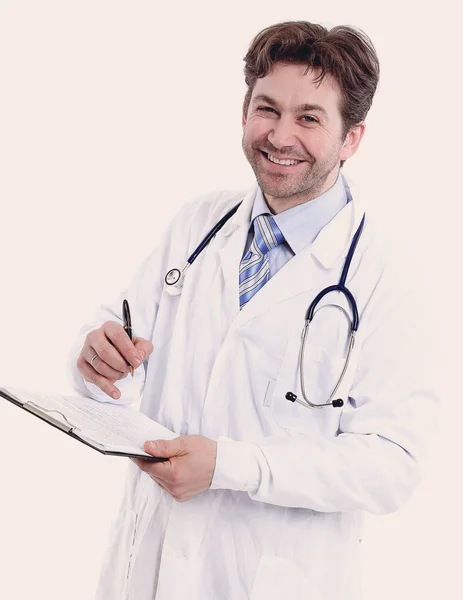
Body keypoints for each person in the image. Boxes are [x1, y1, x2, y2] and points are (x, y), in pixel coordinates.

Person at [69, 20, 439, 600]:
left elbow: (393, 465)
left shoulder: (386, 274)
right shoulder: (198, 225)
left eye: (309, 118)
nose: (280, 136)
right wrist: (98, 360)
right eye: (267, 109)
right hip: (146, 572)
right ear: (245, 110)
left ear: (352, 138)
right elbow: (116, 351)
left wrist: (232, 466)